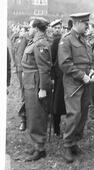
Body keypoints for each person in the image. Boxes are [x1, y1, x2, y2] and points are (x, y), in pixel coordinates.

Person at [58, 12, 94, 163]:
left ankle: (74, 142)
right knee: (74, 114)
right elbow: (65, 64)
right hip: (74, 81)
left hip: (86, 80)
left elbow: (89, 59)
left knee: (83, 112)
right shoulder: (66, 40)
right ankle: (67, 145)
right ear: (77, 23)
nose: (87, 26)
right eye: (85, 24)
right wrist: (82, 75)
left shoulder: (84, 39)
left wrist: (91, 70)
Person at [22, 17, 51, 161]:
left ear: (37, 28)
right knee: (32, 115)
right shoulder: (34, 41)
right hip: (30, 83)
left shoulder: (40, 44)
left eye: (30, 26)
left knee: (37, 116)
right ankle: (36, 144)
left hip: (36, 84)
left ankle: (40, 148)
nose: (29, 29)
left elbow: (44, 68)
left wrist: (43, 88)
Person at [50, 19, 66, 137]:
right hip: (56, 76)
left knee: (60, 102)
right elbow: (51, 61)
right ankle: (56, 127)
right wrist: (52, 76)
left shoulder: (62, 40)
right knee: (56, 102)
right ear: (52, 29)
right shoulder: (54, 41)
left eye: (59, 28)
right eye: (55, 28)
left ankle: (57, 127)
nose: (57, 30)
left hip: (62, 75)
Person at [14, 26, 29, 131]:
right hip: (20, 69)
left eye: (22, 31)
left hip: (26, 70)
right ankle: (24, 118)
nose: (20, 32)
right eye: (20, 31)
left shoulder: (27, 40)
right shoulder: (18, 40)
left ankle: (24, 119)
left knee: (25, 94)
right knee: (23, 94)